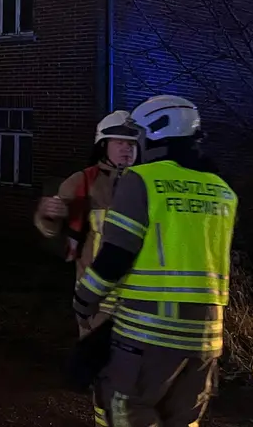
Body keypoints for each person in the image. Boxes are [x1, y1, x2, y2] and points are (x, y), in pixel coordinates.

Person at [72, 94, 238, 427]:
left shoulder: (143, 179)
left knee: (123, 410)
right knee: (183, 420)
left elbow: (116, 255)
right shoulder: (222, 189)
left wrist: (84, 299)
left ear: (155, 134)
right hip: (206, 338)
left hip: (147, 335)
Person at [33, 110, 142, 337]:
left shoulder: (146, 182)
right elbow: (52, 233)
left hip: (138, 298)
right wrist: (47, 215)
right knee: (96, 356)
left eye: (132, 143)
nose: (127, 148)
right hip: (96, 300)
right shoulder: (83, 181)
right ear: (103, 146)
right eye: (119, 142)